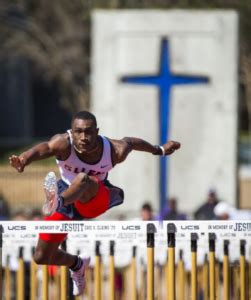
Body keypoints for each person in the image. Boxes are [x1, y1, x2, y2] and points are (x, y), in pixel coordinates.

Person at [9, 110, 180, 296]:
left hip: (94, 199)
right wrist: (24, 159)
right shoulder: (62, 143)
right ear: (71, 132)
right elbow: (43, 148)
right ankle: (77, 264)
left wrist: (160, 150)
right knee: (41, 256)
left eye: (88, 132)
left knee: (84, 179)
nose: (83, 137)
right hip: (66, 197)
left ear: (97, 132)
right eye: (78, 132)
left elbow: (131, 142)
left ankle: (58, 202)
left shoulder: (114, 150)